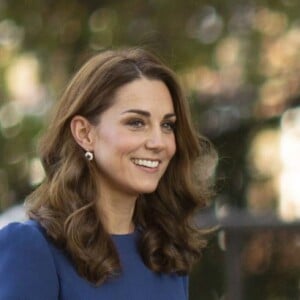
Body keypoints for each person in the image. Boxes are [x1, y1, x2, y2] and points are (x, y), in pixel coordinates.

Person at [0, 48, 215, 299]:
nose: (159, 142)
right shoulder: (32, 248)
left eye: (167, 125)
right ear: (84, 133)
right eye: (136, 122)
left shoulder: (165, 251)